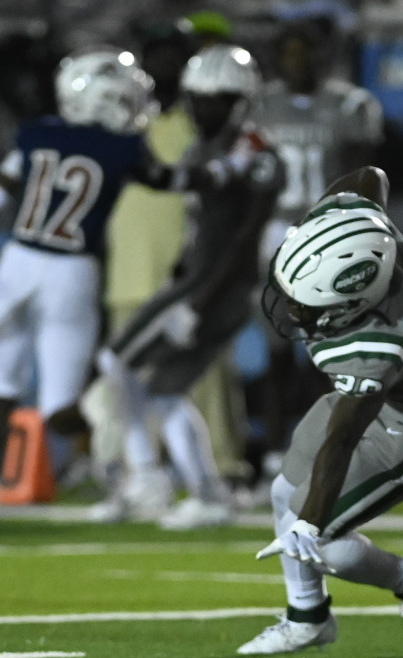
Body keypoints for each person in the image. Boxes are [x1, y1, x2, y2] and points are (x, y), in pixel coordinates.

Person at [241, 165, 403, 656]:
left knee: (318, 538)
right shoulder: (363, 235)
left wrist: (308, 524)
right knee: (285, 493)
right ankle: (308, 617)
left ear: (351, 306)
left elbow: (342, 440)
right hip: (389, 392)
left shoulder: (375, 345)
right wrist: (321, 228)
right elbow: (371, 177)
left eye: (303, 304)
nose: (289, 309)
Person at [0, 46, 250, 482]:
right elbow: (176, 180)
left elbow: (9, 184)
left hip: (18, 260)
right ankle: (127, 463)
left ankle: (124, 463)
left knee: (3, 385)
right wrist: (234, 166)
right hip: (72, 272)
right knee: (64, 406)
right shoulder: (122, 148)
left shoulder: (36, 133)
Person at [89, 45, 285, 529]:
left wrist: (196, 302)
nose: (201, 109)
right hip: (197, 282)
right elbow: (188, 196)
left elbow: (244, 239)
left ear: (240, 101)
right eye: (197, 99)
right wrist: (131, 157)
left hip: (217, 288)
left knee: (118, 363)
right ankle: (203, 492)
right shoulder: (205, 149)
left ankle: (153, 478)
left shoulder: (257, 154)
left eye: (214, 100)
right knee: (162, 391)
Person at [253, 16, 384, 479]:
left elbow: (360, 175)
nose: (298, 61)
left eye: (306, 50)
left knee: (326, 353)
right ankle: (272, 449)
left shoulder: (350, 104)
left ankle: (323, 449)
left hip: (328, 237)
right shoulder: (258, 104)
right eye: (289, 51)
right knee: (276, 351)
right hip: (272, 233)